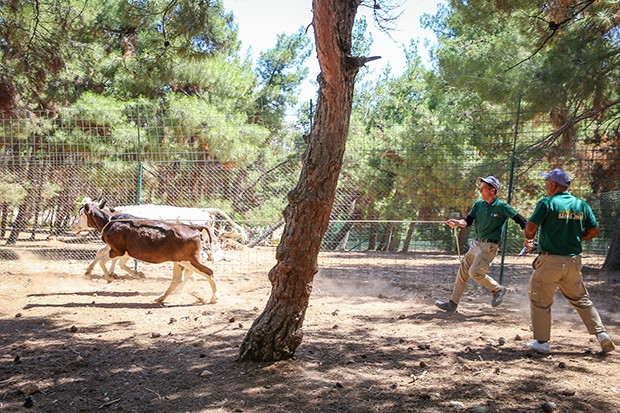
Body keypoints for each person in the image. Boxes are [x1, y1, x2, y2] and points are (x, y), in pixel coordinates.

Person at [522, 168, 615, 354]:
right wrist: (576, 238)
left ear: (554, 185)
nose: (546, 186)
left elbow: (530, 229)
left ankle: (542, 342)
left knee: (540, 298)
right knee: (581, 298)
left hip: (550, 261)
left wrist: (529, 236)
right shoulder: (581, 205)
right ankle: (601, 334)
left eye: (547, 182)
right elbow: (594, 231)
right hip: (573, 262)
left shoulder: (547, 203)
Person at [435, 176, 527, 312]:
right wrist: (457, 222)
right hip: (476, 244)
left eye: (483, 188)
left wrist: (528, 238)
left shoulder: (502, 207)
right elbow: (468, 221)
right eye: (480, 188)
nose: (480, 190)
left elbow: (521, 220)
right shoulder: (478, 204)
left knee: (474, 272)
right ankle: (453, 304)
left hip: (489, 247)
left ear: (492, 190)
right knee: (463, 271)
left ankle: (498, 289)